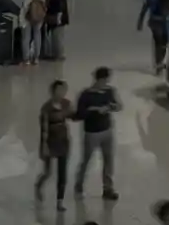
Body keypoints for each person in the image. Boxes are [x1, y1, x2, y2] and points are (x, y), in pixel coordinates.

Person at [74, 66, 121, 200]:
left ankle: (108, 188)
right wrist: (93, 109)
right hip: (91, 133)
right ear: (99, 79)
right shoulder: (86, 95)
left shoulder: (110, 91)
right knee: (86, 160)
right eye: (105, 80)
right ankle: (79, 184)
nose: (106, 83)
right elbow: (79, 114)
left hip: (107, 130)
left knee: (108, 160)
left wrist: (110, 107)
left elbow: (119, 106)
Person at [36, 79, 74, 210]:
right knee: (48, 172)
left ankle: (60, 201)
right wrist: (44, 146)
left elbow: (73, 115)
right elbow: (44, 129)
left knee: (62, 173)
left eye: (63, 90)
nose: (62, 93)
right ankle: (39, 185)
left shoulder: (66, 104)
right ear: (53, 91)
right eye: (59, 90)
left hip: (64, 141)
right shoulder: (46, 108)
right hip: (50, 142)